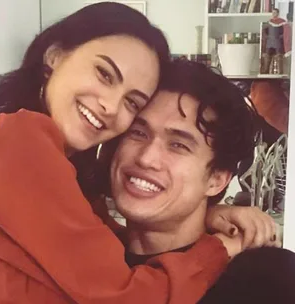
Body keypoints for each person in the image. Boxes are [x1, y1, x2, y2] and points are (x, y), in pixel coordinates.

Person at [0, 3, 274, 303]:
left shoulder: (23, 151)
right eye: (104, 73)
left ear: (217, 179)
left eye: (131, 101)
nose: (111, 107)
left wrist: (207, 215)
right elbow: (125, 296)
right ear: (55, 55)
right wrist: (218, 249)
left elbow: (96, 247)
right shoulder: (19, 145)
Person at [106, 59, 294, 303]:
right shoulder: (86, 257)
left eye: (178, 145)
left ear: (217, 180)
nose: (146, 158)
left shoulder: (266, 278)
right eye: (138, 133)